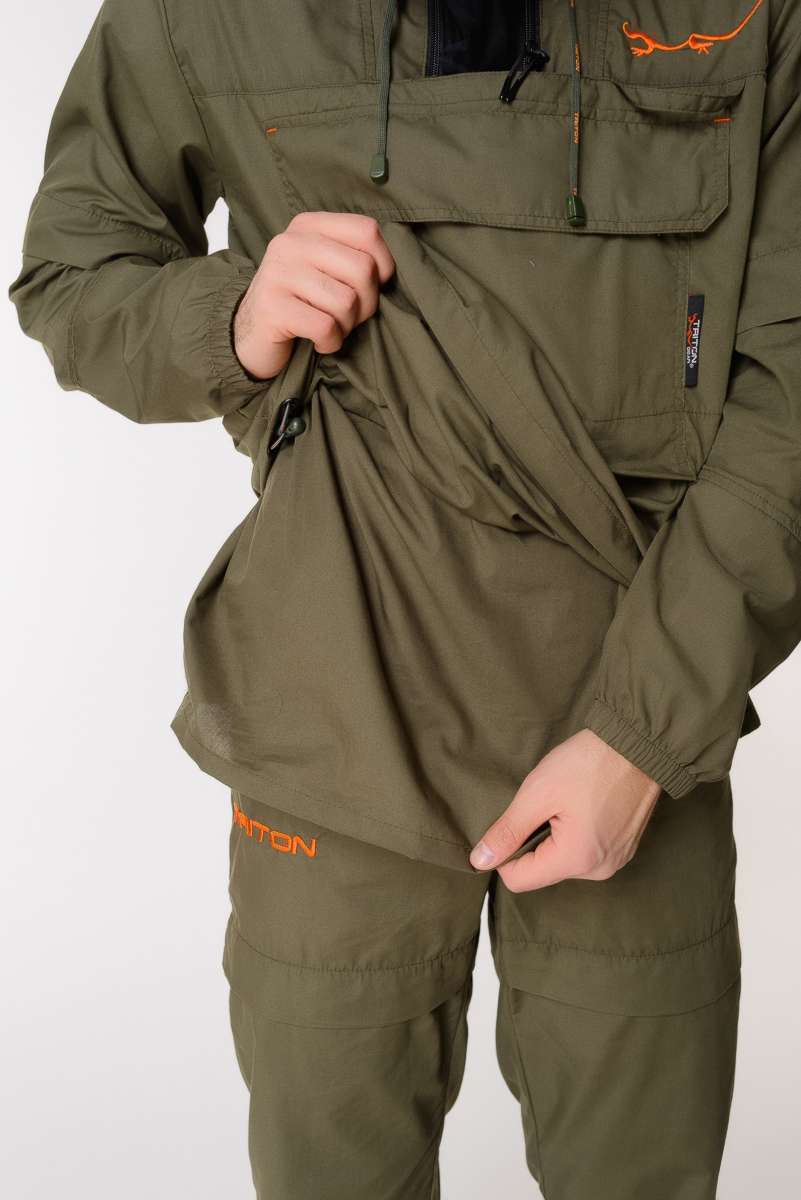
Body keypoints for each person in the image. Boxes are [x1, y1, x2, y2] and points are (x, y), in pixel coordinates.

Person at [8, 1, 800, 1196]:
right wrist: (233, 315)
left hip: (634, 714)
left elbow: (791, 390)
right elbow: (74, 272)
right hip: (334, 714)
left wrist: (640, 738)